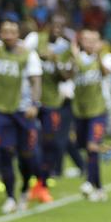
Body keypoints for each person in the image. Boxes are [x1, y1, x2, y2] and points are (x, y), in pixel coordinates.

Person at [0, 20, 43, 213]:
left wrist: (34, 104)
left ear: (18, 34)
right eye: (5, 31)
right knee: (5, 151)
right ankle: (10, 195)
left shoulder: (28, 55)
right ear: (0, 33)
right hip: (2, 111)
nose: (9, 35)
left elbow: (36, 80)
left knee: (27, 155)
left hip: (23, 111)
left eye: (12, 31)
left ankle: (25, 188)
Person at [25, 14, 73, 202]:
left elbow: (66, 77)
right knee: (29, 143)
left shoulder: (65, 48)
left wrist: (54, 61)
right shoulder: (35, 39)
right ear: (48, 25)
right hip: (30, 101)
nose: (57, 29)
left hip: (52, 102)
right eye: (55, 25)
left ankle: (42, 184)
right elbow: (20, 56)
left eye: (61, 26)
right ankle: (30, 179)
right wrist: (38, 56)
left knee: (50, 144)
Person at [70, 30, 111, 201]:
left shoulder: (105, 57)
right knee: (87, 149)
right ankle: (99, 188)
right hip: (80, 110)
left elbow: (106, 72)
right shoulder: (75, 57)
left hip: (98, 109)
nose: (89, 43)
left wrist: (96, 56)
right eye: (86, 40)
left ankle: (89, 181)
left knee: (92, 146)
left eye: (93, 40)